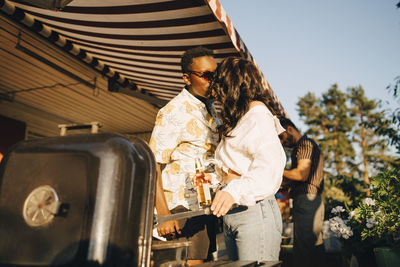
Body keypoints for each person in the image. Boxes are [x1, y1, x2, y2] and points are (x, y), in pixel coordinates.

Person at [209, 56, 286, 261]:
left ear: (232, 85)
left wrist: (233, 190)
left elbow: (269, 169)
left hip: (254, 211)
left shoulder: (258, 115)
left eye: (220, 86)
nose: (216, 93)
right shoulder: (239, 118)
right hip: (234, 212)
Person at [149, 46, 219, 266]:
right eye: (206, 75)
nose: (213, 80)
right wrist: (164, 215)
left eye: (215, 75)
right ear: (187, 78)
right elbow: (153, 164)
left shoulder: (210, 109)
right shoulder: (173, 111)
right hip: (179, 209)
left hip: (203, 204)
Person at [278, 117, 325, 267]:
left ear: (289, 129)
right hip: (310, 201)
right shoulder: (304, 146)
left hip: (307, 200)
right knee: (314, 249)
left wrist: (277, 170)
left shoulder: (304, 144)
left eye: (281, 136)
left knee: (303, 251)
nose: (281, 142)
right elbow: (296, 177)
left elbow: (301, 174)